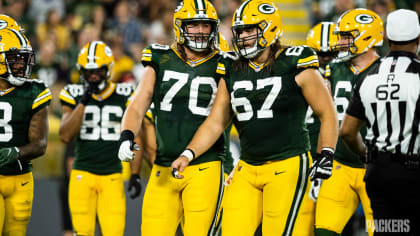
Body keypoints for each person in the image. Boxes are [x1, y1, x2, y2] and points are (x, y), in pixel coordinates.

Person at [170, 0, 338, 235]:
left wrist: (326, 153)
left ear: (270, 28)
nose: (244, 36)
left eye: (250, 29)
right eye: (240, 31)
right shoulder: (232, 67)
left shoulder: (294, 61)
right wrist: (188, 154)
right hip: (247, 167)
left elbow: (327, 112)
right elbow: (216, 120)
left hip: (287, 163)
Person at [118, 0, 229, 235]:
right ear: (180, 26)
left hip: (204, 165)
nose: (200, 31)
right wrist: (126, 135)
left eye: (205, 26)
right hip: (163, 167)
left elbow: (221, 118)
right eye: (194, 25)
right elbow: (139, 103)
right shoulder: (160, 57)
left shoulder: (224, 62)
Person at [340, 9, 420, 235]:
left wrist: (366, 155)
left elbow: (346, 131)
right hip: (414, 173)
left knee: (388, 230)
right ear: (418, 38)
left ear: (387, 38)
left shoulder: (369, 76)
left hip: (379, 174)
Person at [314, 8, 383, 236]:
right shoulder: (333, 69)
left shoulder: (385, 71)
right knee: (323, 231)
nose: (341, 42)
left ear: (366, 36)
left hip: (375, 168)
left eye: (346, 36)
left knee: (384, 231)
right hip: (340, 165)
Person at [58, 41, 138, 236]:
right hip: (82, 175)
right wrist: (84, 101)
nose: (93, 76)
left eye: (98, 71)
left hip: (112, 175)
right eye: (88, 71)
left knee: (114, 232)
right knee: (82, 232)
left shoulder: (125, 93)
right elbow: (65, 134)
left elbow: (138, 133)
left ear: (108, 69)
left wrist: (135, 173)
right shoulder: (73, 93)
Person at [0, 28, 51, 235]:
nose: (22, 65)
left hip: (20, 179)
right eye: (15, 59)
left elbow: (40, 144)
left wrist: (14, 152)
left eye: (24, 59)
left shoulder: (34, 91)